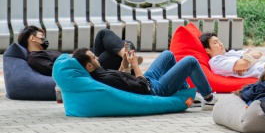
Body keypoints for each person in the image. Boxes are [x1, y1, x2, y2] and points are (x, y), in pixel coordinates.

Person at [71, 47, 217, 107]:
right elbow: (143, 88)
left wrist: (123, 65)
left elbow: (119, 78)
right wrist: (135, 65)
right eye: (94, 58)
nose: (97, 57)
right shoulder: (103, 79)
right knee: (190, 61)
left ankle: (182, 90)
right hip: (153, 89)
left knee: (168, 54)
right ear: (89, 66)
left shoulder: (100, 74)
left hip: (147, 80)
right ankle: (209, 97)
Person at [18, 26, 141, 77]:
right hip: (84, 68)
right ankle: (129, 58)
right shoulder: (35, 58)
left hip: (83, 61)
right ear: (33, 38)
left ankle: (126, 55)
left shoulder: (44, 53)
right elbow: (57, 70)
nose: (44, 39)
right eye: (41, 35)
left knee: (108, 36)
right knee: (120, 46)